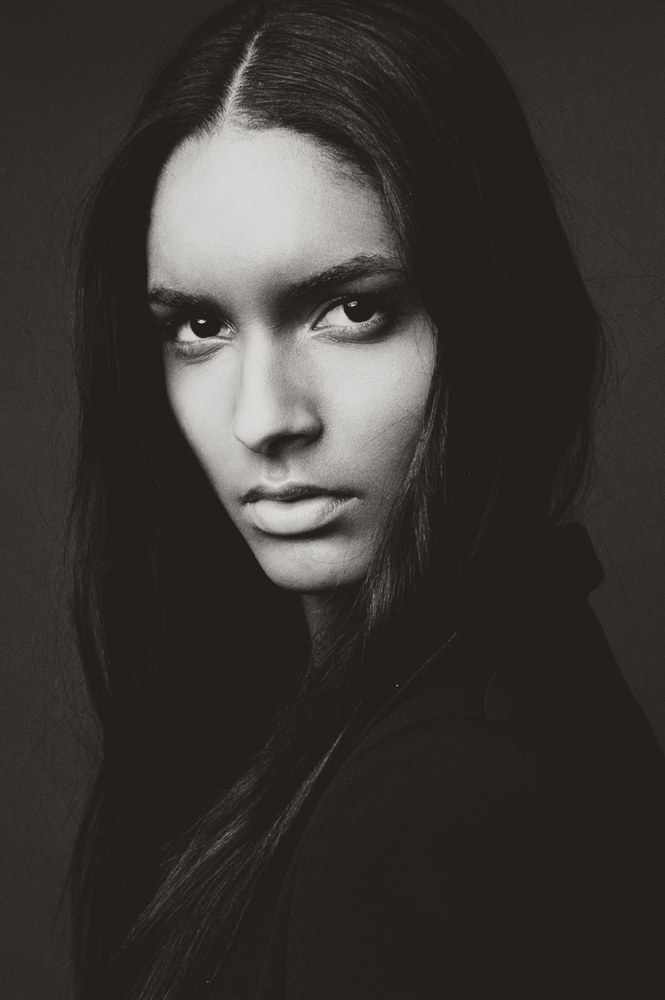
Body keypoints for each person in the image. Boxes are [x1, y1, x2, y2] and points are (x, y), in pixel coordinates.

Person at [68, 1, 665, 997]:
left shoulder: (429, 808)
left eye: (351, 309)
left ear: (493, 310)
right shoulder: (508, 688)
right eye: (199, 326)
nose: (263, 417)